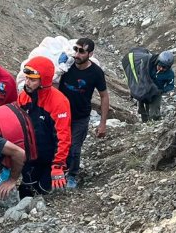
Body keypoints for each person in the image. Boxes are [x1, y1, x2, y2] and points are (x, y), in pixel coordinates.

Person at [57, 37, 108, 189]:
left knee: (74, 148)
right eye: (76, 50)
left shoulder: (96, 73)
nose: (77, 54)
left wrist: (103, 123)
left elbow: (104, 96)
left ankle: (72, 175)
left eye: (81, 51)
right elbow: (53, 82)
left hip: (80, 116)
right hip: (61, 115)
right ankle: (58, 170)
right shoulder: (67, 65)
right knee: (58, 144)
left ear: (90, 54)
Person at [16, 56, 71, 196]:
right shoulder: (23, 97)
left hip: (52, 157)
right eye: (26, 78)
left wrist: (58, 165)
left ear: (44, 81)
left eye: (32, 80)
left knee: (44, 192)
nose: (27, 82)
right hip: (33, 156)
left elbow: (63, 137)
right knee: (25, 190)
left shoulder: (59, 102)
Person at [145, 50, 175, 121]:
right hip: (145, 88)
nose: (161, 69)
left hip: (157, 92)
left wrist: (162, 90)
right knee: (142, 108)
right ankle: (144, 120)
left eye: (164, 68)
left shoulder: (170, 74)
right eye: (160, 66)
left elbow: (170, 85)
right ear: (157, 62)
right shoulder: (150, 65)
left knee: (154, 114)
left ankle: (154, 122)